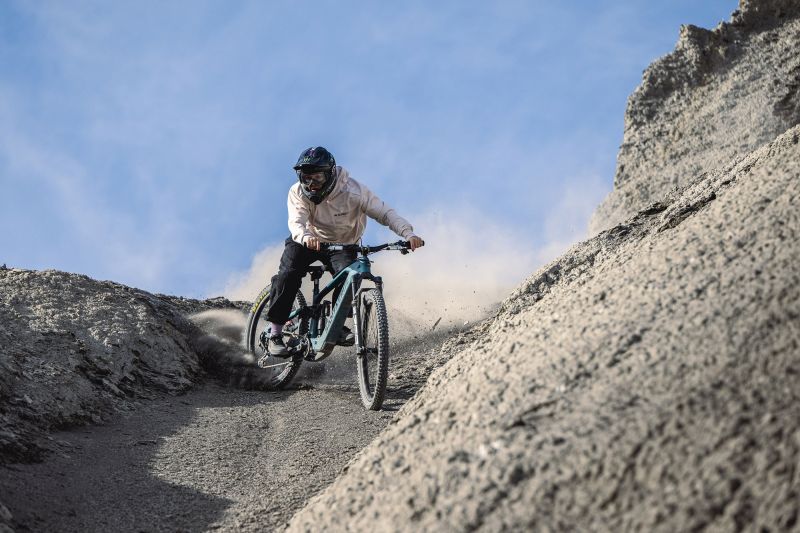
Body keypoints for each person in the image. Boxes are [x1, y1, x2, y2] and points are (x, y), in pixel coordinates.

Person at [265, 146, 424, 357]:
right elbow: (296, 222)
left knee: (350, 277)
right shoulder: (297, 192)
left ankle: (337, 325)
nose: (311, 184)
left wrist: (408, 234)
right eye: (306, 178)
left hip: (343, 244)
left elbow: (385, 213)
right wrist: (305, 237)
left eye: (317, 178)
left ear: (330, 174)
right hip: (307, 240)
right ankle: (275, 334)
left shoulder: (354, 192)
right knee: (288, 274)